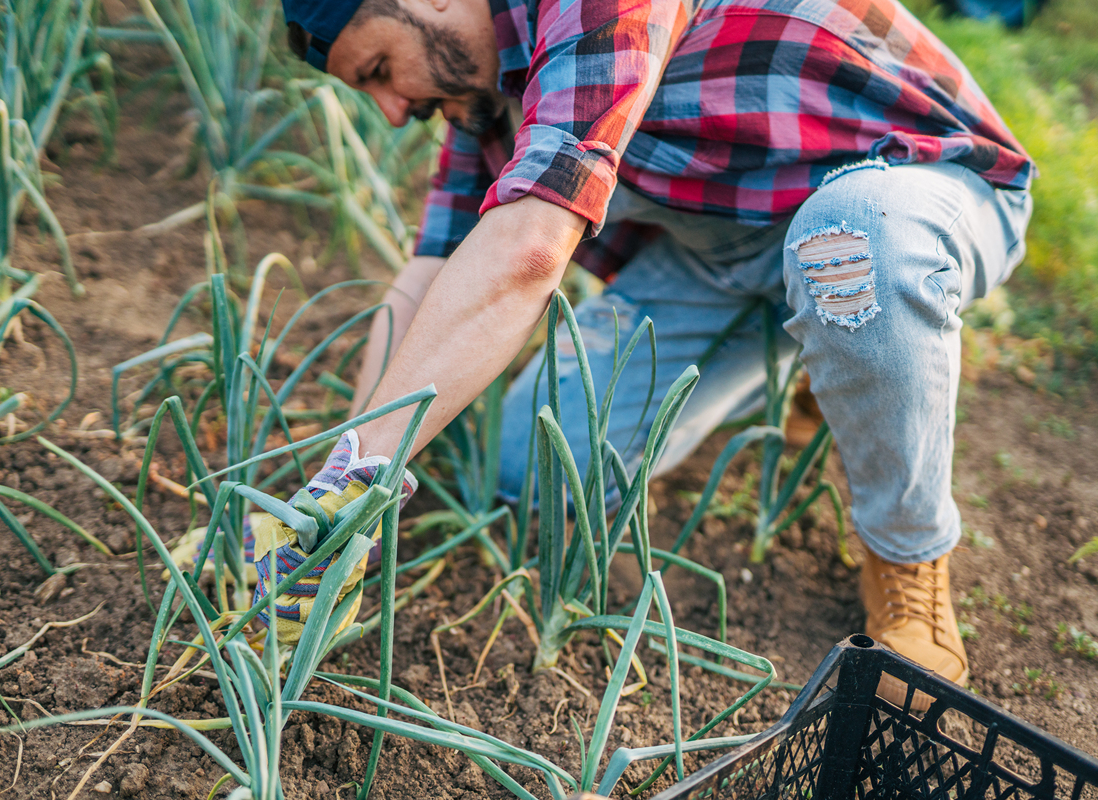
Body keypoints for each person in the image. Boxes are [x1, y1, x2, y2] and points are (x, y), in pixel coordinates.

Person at [263, 0, 1034, 704]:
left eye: (378, 72)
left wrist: (363, 486)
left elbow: (529, 253)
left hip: (911, 187)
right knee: (525, 471)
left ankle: (907, 556)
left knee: (847, 243)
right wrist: (325, 492)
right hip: (729, 257)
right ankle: (830, 356)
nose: (394, 112)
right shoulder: (487, 98)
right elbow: (427, 275)